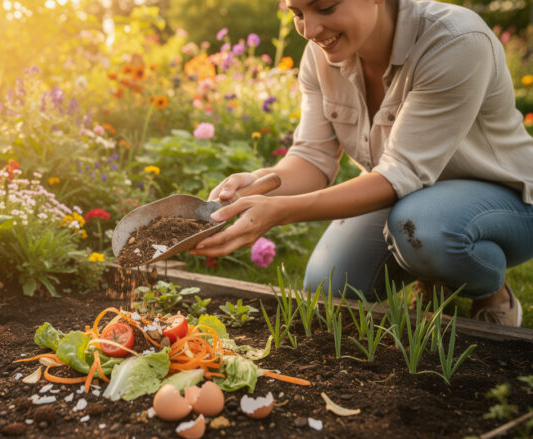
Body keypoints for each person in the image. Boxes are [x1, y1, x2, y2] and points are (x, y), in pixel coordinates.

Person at [190, 0, 533, 327]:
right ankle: (431, 272)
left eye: (325, 7)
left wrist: (279, 210)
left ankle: (492, 296)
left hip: (506, 202)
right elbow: (312, 157)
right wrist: (260, 184)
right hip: (407, 196)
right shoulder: (322, 55)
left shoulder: (455, 41)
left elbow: (400, 172)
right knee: (327, 287)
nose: (310, 29)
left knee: (425, 227)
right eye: (296, 12)